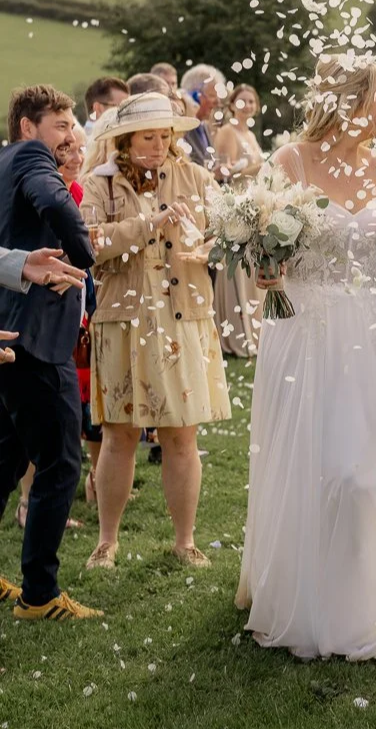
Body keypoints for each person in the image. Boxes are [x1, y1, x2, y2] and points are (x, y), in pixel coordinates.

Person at [235, 54, 376, 662]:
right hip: (301, 327)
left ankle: (360, 592)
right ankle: (301, 593)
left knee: (359, 470)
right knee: (305, 462)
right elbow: (263, 246)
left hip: (362, 328)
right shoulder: (290, 161)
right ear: (347, 99)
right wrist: (266, 270)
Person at [80, 93, 231, 571]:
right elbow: (90, 246)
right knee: (119, 433)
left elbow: (228, 234)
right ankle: (107, 541)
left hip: (182, 317)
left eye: (166, 135)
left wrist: (210, 250)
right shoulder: (98, 184)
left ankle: (185, 541)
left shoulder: (195, 177)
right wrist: (149, 224)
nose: (160, 143)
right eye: (149, 135)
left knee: (181, 435)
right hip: (122, 320)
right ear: (125, 139)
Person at [0, 85, 101, 620]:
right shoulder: (29, 159)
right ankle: (39, 595)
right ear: (27, 128)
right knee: (61, 462)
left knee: (5, 458)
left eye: (72, 126)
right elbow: (52, 202)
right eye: (59, 126)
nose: (69, 135)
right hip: (34, 340)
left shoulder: (5, 164)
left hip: (10, 336)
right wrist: (85, 256)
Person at [17, 128, 94, 528]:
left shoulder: (76, 193)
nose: (77, 155)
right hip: (33, 329)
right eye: (67, 148)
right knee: (47, 441)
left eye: (81, 148)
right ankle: (30, 504)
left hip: (67, 320)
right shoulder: (36, 194)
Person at [212, 85, 266, 357]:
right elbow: (223, 172)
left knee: (252, 269)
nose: (248, 105)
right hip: (236, 205)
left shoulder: (249, 134)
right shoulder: (227, 132)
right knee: (239, 268)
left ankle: (253, 329)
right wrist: (257, 167)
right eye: (243, 100)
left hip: (252, 205)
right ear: (232, 105)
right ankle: (236, 332)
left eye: (252, 100)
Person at [179, 65, 226, 171]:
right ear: (195, 96)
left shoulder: (203, 126)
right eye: (213, 95)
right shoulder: (181, 130)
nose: (218, 102)